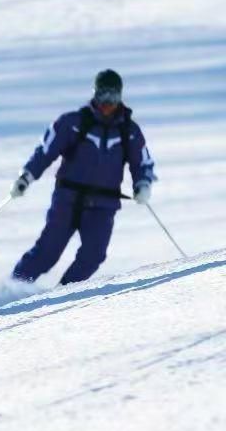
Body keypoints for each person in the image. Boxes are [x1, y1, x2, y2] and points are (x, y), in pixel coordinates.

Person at [9, 70, 156, 285]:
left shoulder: (129, 131)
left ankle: (65, 294)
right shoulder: (73, 123)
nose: (107, 103)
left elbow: (142, 162)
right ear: (94, 94)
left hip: (103, 205)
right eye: (103, 96)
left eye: (113, 97)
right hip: (68, 199)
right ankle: (10, 291)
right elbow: (45, 151)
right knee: (47, 253)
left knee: (93, 255)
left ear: (120, 97)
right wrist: (27, 177)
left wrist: (143, 184)